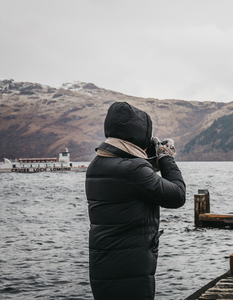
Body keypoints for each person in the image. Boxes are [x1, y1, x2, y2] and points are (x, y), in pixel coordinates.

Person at [85, 102, 186, 300]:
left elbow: (131, 176)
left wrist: (149, 157)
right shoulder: (134, 171)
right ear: (140, 134)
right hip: (131, 267)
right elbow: (177, 195)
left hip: (103, 264)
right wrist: (166, 157)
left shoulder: (97, 164)